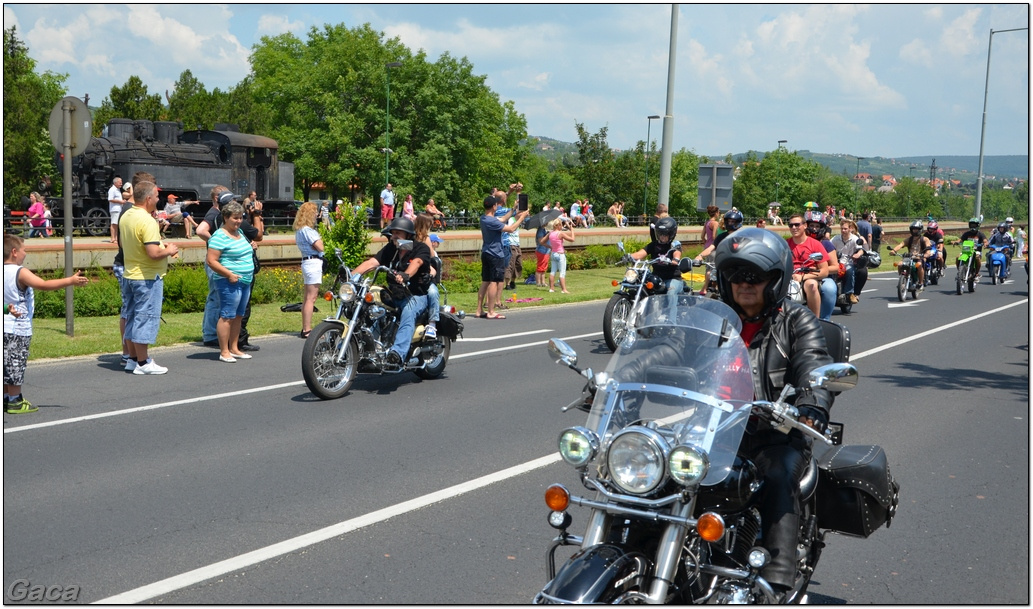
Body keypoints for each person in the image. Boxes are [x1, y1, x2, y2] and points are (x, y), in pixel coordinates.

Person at [712, 226, 834, 599]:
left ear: (775, 280)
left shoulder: (796, 321)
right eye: (735, 275)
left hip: (775, 431)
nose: (743, 284)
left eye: (755, 276)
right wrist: (625, 376)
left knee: (778, 475)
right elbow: (671, 352)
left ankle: (777, 582)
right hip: (717, 429)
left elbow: (815, 365)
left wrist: (812, 404)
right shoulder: (715, 320)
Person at [4, 235, 90, 413]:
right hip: (17, 328)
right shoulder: (19, 271)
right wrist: (70, 281)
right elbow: (43, 284)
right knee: (16, 363)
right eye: (24, 250)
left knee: (6, 363)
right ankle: (15, 400)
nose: (25, 254)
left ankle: (6, 397)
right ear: (14, 252)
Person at [350, 217, 433, 368]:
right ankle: (368, 348)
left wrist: (406, 275)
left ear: (408, 235)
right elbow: (371, 263)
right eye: (393, 233)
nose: (394, 236)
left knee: (408, 311)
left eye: (398, 233)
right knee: (370, 304)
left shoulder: (420, 248)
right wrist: (352, 277)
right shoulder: (391, 249)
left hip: (416, 295)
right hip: (395, 294)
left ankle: (397, 354)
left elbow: (417, 262)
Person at [119, 180, 179, 375]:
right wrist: (168, 250)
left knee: (132, 316)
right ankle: (144, 363)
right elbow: (152, 252)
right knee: (145, 317)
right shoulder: (147, 220)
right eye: (156, 196)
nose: (158, 199)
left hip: (130, 273)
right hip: (147, 276)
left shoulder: (127, 215)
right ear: (148, 199)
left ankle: (132, 359)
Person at [197, 188, 264, 351]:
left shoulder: (217, 217)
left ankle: (217, 338)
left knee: (219, 303)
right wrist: (256, 215)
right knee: (228, 312)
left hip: (238, 275)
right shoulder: (226, 229)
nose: (239, 219)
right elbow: (259, 235)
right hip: (229, 274)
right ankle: (225, 345)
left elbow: (200, 230)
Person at [205, 201, 257, 363]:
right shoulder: (219, 236)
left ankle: (234, 348)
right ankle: (224, 351)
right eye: (235, 218)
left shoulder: (239, 232)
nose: (238, 221)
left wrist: (252, 246)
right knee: (227, 315)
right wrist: (229, 274)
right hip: (229, 281)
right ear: (226, 218)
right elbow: (211, 261)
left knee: (238, 316)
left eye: (240, 217)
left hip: (245, 280)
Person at [476, 195, 528, 318]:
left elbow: (503, 219)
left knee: (485, 281)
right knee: (494, 282)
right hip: (495, 254)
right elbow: (511, 229)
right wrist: (522, 218)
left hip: (486, 253)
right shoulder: (492, 221)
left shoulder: (484, 218)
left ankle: (479, 310)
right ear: (494, 206)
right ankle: (491, 311)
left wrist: (513, 209)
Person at [628, 216, 682, 315]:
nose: (662, 236)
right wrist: (629, 256)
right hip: (656, 277)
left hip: (673, 279)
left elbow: (677, 253)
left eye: (665, 234)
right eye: (660, 234)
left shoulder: (674, 245)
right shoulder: (653, 245)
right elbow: (641, 254)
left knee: (671, 292)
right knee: (640, 286)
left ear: (671, 234)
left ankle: (671, 323)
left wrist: (675, 260)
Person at [786, 212, 828, 318]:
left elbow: (824, 271)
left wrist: (803, 276)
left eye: (797, 225)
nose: (794, 227)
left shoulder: (815, 244)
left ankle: (816, 320)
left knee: (811, 286)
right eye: (791, 225)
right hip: (789, 277)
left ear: (805, 226)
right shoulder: (784, 244)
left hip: (807, 277)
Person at [293, 202, 324, 339]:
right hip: (313, 262)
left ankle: (305, 327)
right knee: (312, 298)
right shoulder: (309, 231)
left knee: (307, 298)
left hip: (306, 261)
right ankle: (307, 329)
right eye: (315, 212)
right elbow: (320, 247)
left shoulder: (299, 230)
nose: (317, 215)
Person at [695, 209, 743, 296]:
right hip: (724, 269)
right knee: (721, 293)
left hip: (738, 270)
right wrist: (700, 256)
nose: (730, 223)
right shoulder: (721, 237)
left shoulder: (743, 236)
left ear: (738, 222)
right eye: (728, 221)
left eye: (732, 221)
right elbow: (710, 248)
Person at [803, 211, 839, 321]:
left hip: (823, 277)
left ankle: (824, 320)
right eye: (811, 225)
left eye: (817, 226)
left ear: (822, 228)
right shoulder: (799, 241)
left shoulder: (826, 244)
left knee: (829, 289)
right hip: (799, 276)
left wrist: (819, 270)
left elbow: (835, 267)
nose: (814, 229)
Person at [414, 213, 441, 339]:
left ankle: (432, 323)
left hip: (425, 270)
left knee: (432, 292)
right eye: (429, 224)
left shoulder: (427, 238)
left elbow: (432, 258)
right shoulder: (413, 236)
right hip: (412, 270)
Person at [889, 220, 933, 290]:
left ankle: (921, 283)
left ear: (920, 230)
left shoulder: (924, 239)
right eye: (913, 229)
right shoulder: (909, 239)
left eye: (916, 229)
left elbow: (928, 247)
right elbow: (901, 245)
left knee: (918, 265)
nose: (914, 231)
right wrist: (893, 250)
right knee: (900, 264)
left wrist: (927, 253)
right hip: (909, 258)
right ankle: (902, 280)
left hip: (920, 257)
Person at [831, 219, 865, 304]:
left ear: (850, 229)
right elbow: (828, 247)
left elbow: (861, 249)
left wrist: (858, 254)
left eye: (845, 229)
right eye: (842, 228)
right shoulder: (835, 238)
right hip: (837, 262)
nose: (843, 231)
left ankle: (849, 293)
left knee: (850, 271)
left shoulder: (854, 239)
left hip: (849, 262)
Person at [542, 217, 575, 294]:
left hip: (553, 253)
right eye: (561, 225)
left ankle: (551, 288)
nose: (562, 227)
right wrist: (572, 230)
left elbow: (542, 242)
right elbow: (572, 239)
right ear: (558, 225)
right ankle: (564, 289)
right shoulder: (561, 234)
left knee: (552, 272)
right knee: (562, 272)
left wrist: (550, 246)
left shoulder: (550, 233)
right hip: (560, 254)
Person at [534, 209, 551, 289]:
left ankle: (543, 282)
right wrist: (547, 236)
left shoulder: (544, 229)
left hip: (546, 251)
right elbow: (541, 241)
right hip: (542, 250)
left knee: (544, 267)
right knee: (540, 267)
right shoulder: (541, 230)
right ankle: (538, 282)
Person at [108, 176, 124, 243]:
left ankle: (116, 237)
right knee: (114, 223)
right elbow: (110, 199)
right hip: (115, 209)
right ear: (115, 182)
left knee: (117, 224)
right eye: (120, 183)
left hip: (118, 208)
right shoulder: (112, 189)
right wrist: (120, 201)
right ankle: (113, 238)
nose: (121, 184)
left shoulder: (117, 190)